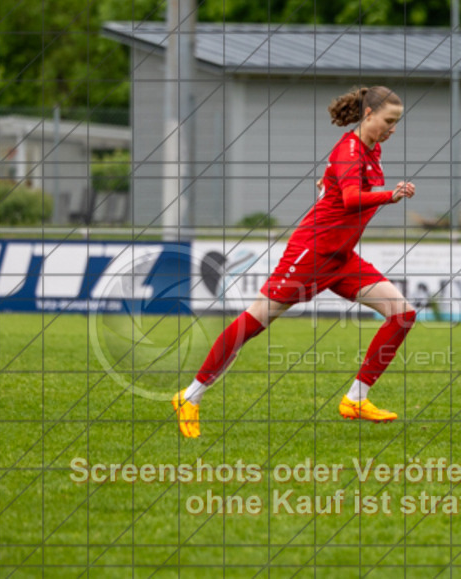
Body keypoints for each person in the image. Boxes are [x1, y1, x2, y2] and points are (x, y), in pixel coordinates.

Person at [172, 86, 417, 438]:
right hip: (312, 253)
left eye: (397, 123)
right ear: (368, 115)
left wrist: (328, 181)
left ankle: (355, 400)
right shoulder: (349, 149)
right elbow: (350, 199)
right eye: (389, 121)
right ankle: (189, 397)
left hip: (341, 256)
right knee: (252, 324)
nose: (393, 129)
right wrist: (390, 195)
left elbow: (339, 183)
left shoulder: (370, 149)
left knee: (403, 313)